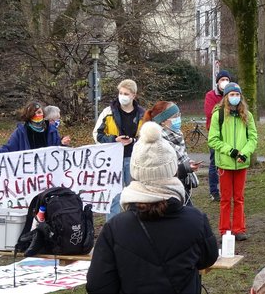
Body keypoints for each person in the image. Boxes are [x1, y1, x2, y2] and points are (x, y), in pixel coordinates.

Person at [86, 122, 219, 293]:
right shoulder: (196, 220)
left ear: (135, 172)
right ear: (173, 171)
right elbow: (207, 259)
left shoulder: (115, 227)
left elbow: (98, 285)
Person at [208, 82, 257, 241]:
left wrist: (245, 152)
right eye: (231, 94)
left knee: (239, 197)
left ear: (240, 96)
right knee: (225, 198)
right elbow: (213, 140)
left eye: (237, 94)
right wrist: (231, 151)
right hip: (225, 163)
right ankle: (224, 230)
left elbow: (253, 138)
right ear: (226, 97)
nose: (235, 97)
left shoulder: (247, 115)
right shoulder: (219, 115)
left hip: (241, 163)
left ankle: (238, 228)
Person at [93, 79, 145, 220]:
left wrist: (133, 140)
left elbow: (147, 136)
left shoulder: (141, 114)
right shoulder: (108, 112)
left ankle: (134, 223)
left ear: (133, 95)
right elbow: (97, 135)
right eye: (120, 93)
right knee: (113, 196)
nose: (122, 96)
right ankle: (112, 226)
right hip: (112, 160)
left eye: (126, 93)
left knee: (135, 195)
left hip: (133, 158)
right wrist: (114, 139)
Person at [143, 101, 201, 206]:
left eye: (179, 115)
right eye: (175, 116)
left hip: (182, 186)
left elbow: (182, 157)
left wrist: (188, 164)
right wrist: (185, 168)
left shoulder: (177, 135)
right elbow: (160, 172)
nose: (179, 118)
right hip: (165, 192)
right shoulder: (156, 141)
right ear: (163, 121)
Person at [204, 69, 232, 202]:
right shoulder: (210, 95)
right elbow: (210, 112)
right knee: (214, 162)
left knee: (227, 161)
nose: (225, 82)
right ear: (217, 82)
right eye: (222, 80)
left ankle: (227, 189)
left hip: (229, 132)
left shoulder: (232, 94)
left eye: (227, 80)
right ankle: (214, 191)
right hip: (215, 132)